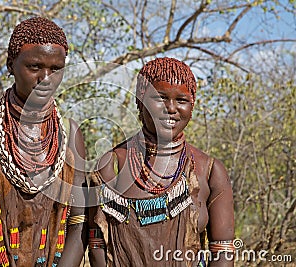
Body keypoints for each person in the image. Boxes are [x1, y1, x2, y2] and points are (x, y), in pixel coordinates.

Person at [0, 17, 87, 267]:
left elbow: (78, 225)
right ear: (10, 65)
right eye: (34, 66)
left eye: (56, 69)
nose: (45, 78)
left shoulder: (69, 134)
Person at [88, 57, 235, 266]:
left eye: (181, 100)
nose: (171, 108)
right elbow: (97, 247)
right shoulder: (112, 165)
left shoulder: (210, 171)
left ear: (192, 105)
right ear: (140, 100)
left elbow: (223, 251)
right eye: (160, 98)